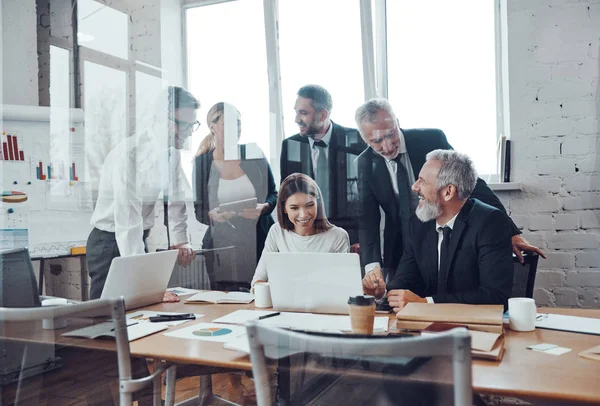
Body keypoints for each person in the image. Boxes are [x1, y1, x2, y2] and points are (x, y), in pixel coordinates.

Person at [355, 98, 545, 281]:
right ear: (366, 140)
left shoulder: (430, 139)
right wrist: (372, 268)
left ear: (397, 122)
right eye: (377, 141)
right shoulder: (364, 163)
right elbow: (367, 219)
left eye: (390, 134)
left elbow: (472, 183)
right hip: (401, 246)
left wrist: (509, 232)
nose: (387, 146)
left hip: (443, 235)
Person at [363, 149, 514, 311]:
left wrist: (427, 303)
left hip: (473, 328)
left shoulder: (490, 222)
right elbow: (405, 280)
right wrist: (382, 292)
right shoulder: (418, 223)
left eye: (422, 181)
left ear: (448, 192)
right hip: (424, 328)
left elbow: (495, 296)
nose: (414, 187)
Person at [87, 86, 199, 301]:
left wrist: (180, 240)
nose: (187, 132)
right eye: (183, 125)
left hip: (138, 237)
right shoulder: (128, 154)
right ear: (160, 119)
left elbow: (176, 200)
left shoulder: (171, 153)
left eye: (192, 125)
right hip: (108, 242)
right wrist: (148, 287)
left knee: (138, 311)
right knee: (104, 316)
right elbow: (127, 222)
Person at [194, 102, 277, 290]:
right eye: (229, 123)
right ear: (212, 126)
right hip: (221, 246)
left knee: (264, 296)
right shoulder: (202, 163)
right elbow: (199, 210)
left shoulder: (253, 153)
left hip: (259, 239)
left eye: (238, 123)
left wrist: (263, 208)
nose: (236, 129)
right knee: (225, 303)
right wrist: (212, 215)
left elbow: (274, 193)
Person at [280, 85, 366, 251]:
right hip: (306, 239)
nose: (296, 119)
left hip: (350, 241)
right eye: (296, 112)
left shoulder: (356, 140)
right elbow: (287, 197)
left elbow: (366, 199)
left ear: (323, 114)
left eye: (303, 113)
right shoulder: (290, 145)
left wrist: (363, 241)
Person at [251, 173, 349, 286]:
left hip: (327, 303)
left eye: (309, 205)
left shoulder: (338, 236)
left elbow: (344, 286)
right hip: (285, 302)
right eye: (294, 208)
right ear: (284, 209)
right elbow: (258, 280)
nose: (303, 215)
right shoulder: (277, 232)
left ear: (318, 203)